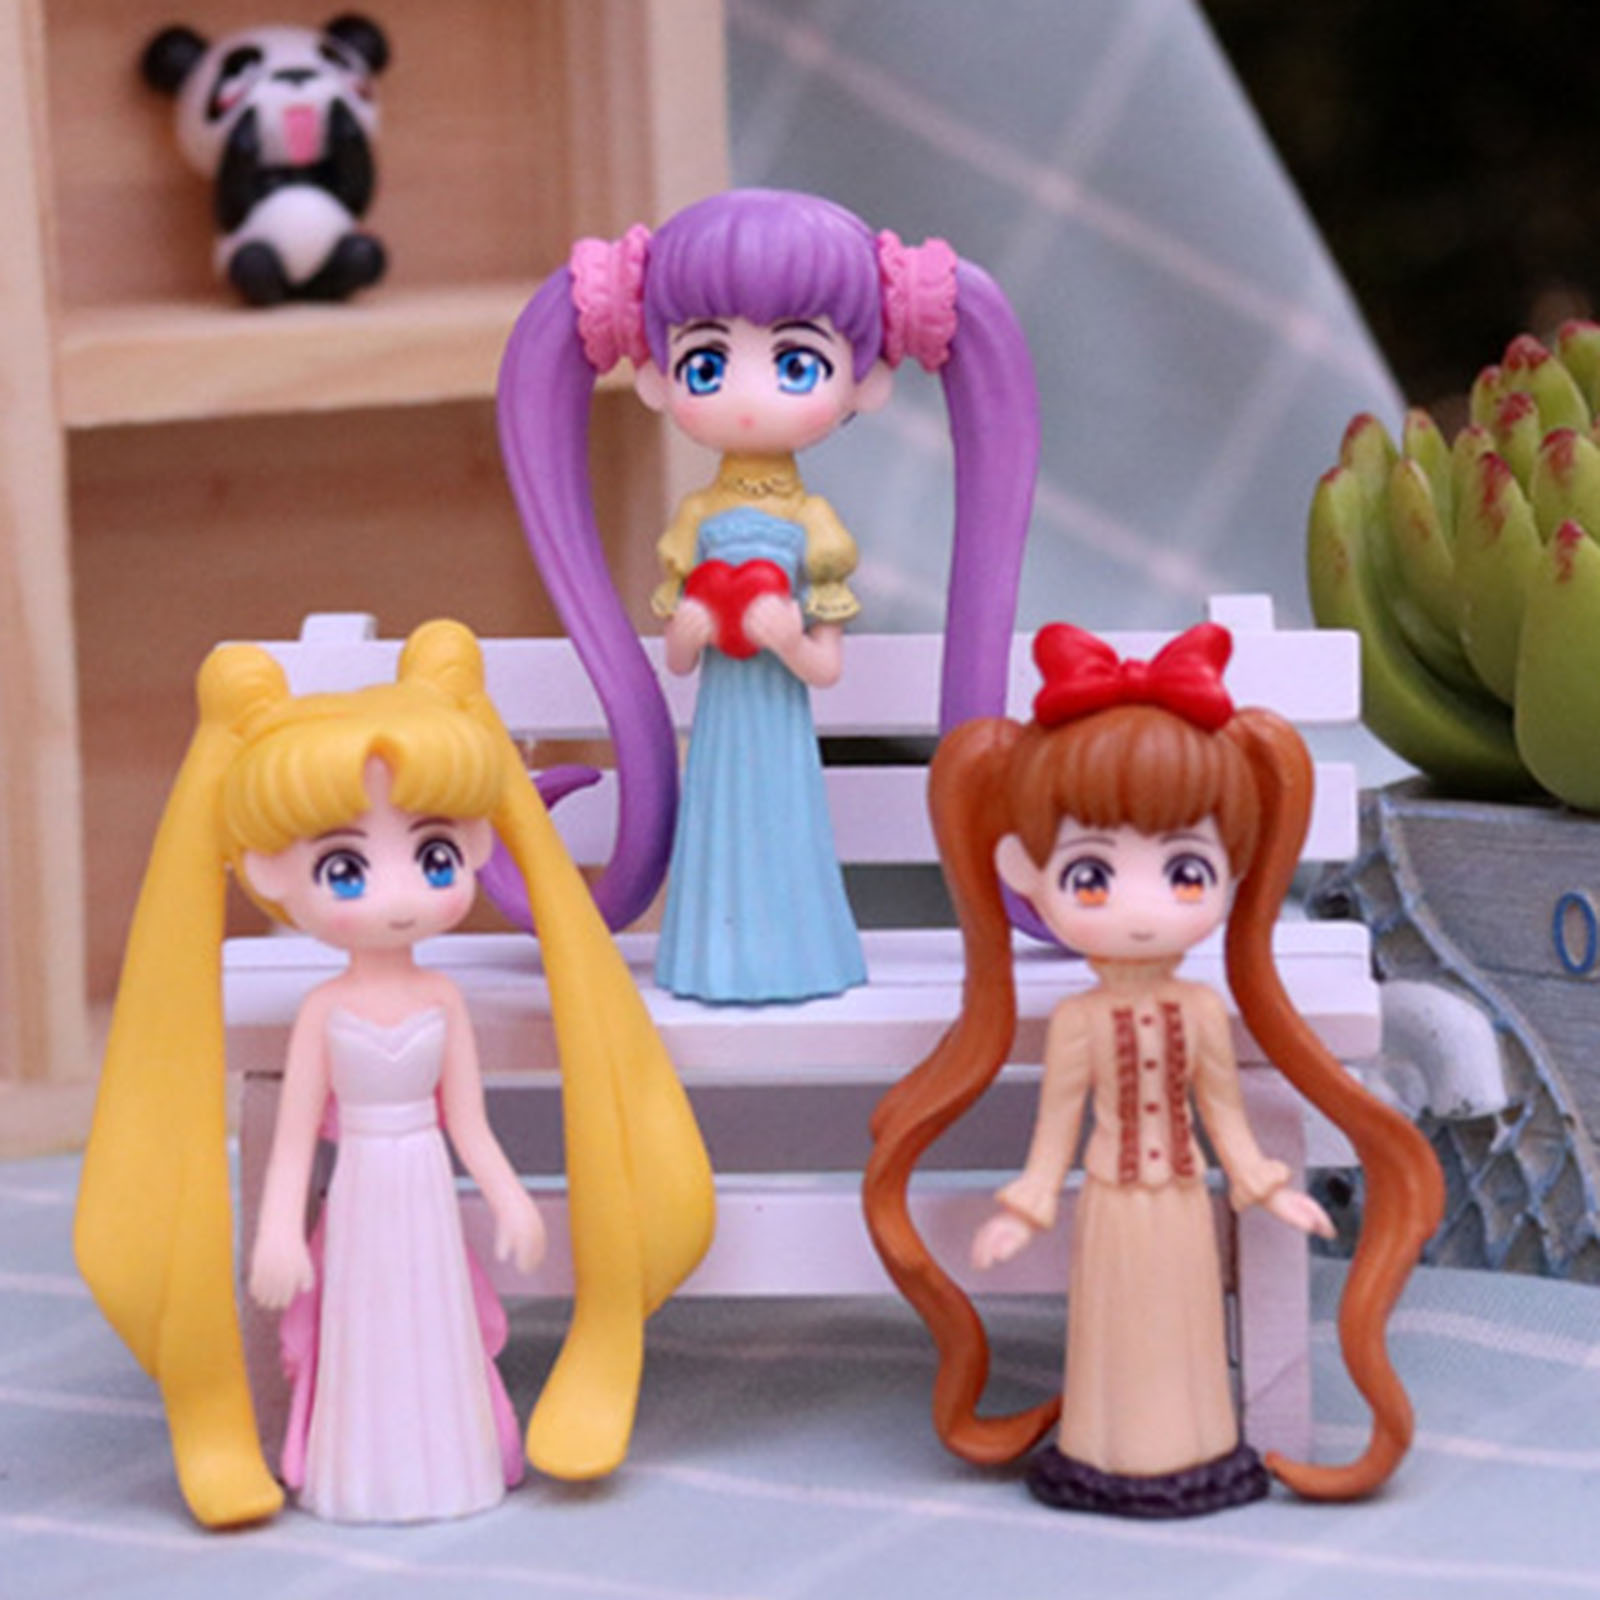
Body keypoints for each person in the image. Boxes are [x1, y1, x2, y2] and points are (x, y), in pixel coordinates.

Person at [76, 619, 714, 1527]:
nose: (402, 894)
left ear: (476, 846)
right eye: (345, 868)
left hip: (422, 1182)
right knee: (366, 1319)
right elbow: (292, 1140)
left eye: (433, 856)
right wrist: (278, 1232)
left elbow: (469, 1123)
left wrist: (510, 1196)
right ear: (271, 871)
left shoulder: (441, 1002)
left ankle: (449, 1464)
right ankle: (359, 1472)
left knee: (430, 1315)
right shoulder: (324, 1013)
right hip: (364, 1192)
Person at [864, 621, 1444, 1515]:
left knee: (1181, 1325)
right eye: (1092, 877)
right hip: (1110, 1202)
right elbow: (1056, 1131)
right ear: (1023, 871)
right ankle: (1107, 1452)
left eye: (1184, 871)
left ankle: (1194, 1449)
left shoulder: (1202, 1012)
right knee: (1117, 1329)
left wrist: (1265, 1187)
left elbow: (1227, 1120)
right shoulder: (1079, 1023)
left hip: (1179, 1200)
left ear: (1235, 869)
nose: (1140, 909)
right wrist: (1026, 1207)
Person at [486, 188, 1039, 1000]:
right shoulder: (695, 521)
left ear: (868, 382)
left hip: (778, 717)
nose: (748, 398)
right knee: (721, 822)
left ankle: (797, 956)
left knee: (783, 823)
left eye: (795, 365)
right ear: (656, 379)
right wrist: (694, 626)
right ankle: (710, 958)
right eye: (708, 366)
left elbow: (826, 667)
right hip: (722, 720)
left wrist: (786, 636)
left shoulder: (816, 527)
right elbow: (678, 659)